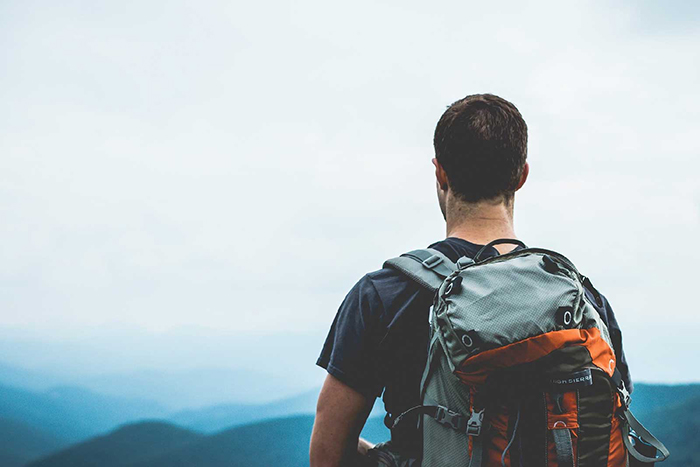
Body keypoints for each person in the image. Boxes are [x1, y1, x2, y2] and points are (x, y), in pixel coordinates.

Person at [309, 93, 631, 466]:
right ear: (522, 175)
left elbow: (327, 454)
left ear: (440, 173)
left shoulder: (382, 295)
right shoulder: (582, 300)